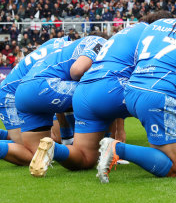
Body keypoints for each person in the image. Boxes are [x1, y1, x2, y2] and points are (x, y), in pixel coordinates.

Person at [28, 11, 174, 176]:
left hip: (83, 91)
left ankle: (55, 149)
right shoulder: (151, 35)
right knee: (155, 96)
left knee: (85, 158)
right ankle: (125, 148)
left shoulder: (123, 34)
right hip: (107, 87)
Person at [96, 3, 176, 183]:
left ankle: (175, 153)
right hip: (157, 97)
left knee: (165, 149)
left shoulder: (154, 26)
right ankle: (116, 149)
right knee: (175, 168)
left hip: (132, 90)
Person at [11, 35, 106, 172]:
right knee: (100, 93)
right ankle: (109, 147)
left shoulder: (66, 48)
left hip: (23, 91)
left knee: (33, 154)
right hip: (45, 86)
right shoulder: (100, 41)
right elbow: (77, 71)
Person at [0, 36, 72, 165]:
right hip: (12, 96)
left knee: (53, 141)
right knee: (34, 154)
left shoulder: (57, 45)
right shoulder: (69, 55)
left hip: (31, 93)